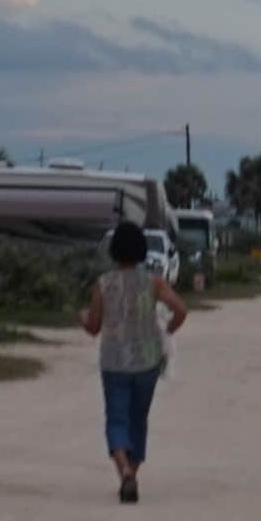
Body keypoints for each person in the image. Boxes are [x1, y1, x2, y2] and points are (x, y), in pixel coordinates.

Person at [79, 216, 187, 503]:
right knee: (138, 419)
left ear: (113, 251)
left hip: (114, 362)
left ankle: (125, 472)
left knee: (116, 418)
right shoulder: (153, 282)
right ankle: (131, 474)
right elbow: (181, 310)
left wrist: (82, 319)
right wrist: (167, 331)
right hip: (147, 361)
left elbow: (94, 326)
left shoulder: (103, 284)